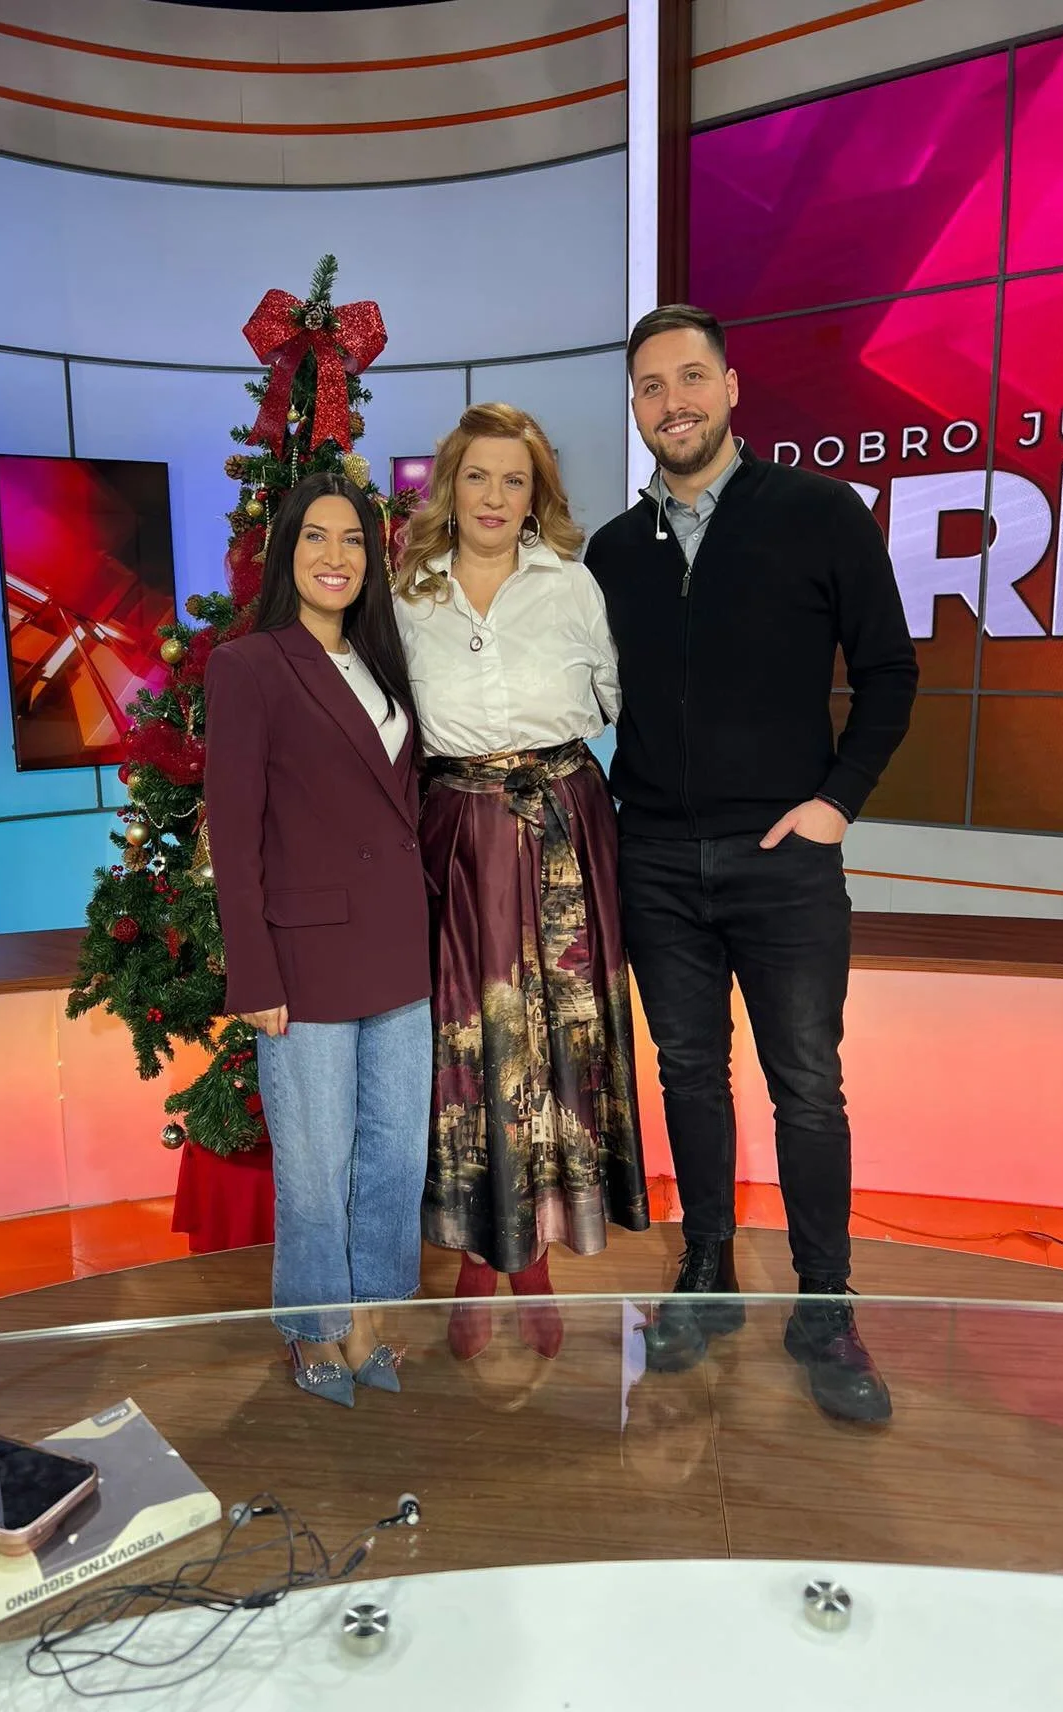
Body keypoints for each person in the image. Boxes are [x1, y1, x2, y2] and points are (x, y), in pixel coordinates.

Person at [585, 305, 918, 1425]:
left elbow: (890, 673)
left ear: (731, 388)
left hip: (786, 862)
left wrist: (837, 803)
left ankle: (824, 1307)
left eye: (691, 377)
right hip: (656, 860)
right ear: (636, 408)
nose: (671, 401)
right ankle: (708, 1273)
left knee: (808, 1085)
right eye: (650, 386)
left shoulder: (819, 512)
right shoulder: (612, 552)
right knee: (688, 1073)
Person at [395, 402, 650, 1363]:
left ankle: (535, 1255)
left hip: (566, 829)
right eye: (477, 476)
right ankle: (478, 1254)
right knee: (470, 1044)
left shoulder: (573, 586)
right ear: (449, 488)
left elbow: (622, 701)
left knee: (559, 1039)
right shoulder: (406, 596)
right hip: (456, 836)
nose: (495, 497)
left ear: (537, 494)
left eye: (515, 479)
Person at [204, 472, 431, 1408]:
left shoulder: (385, 659)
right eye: (316, 538)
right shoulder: (249, 665)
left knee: (396, 1156)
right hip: (304, 960)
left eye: (353, 540)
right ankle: (313, 1328)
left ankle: (370, 1315)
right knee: (313, 1166)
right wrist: (253, 971)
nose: (336, 557)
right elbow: (234, 833)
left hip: (400, 948)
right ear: (285, 552)